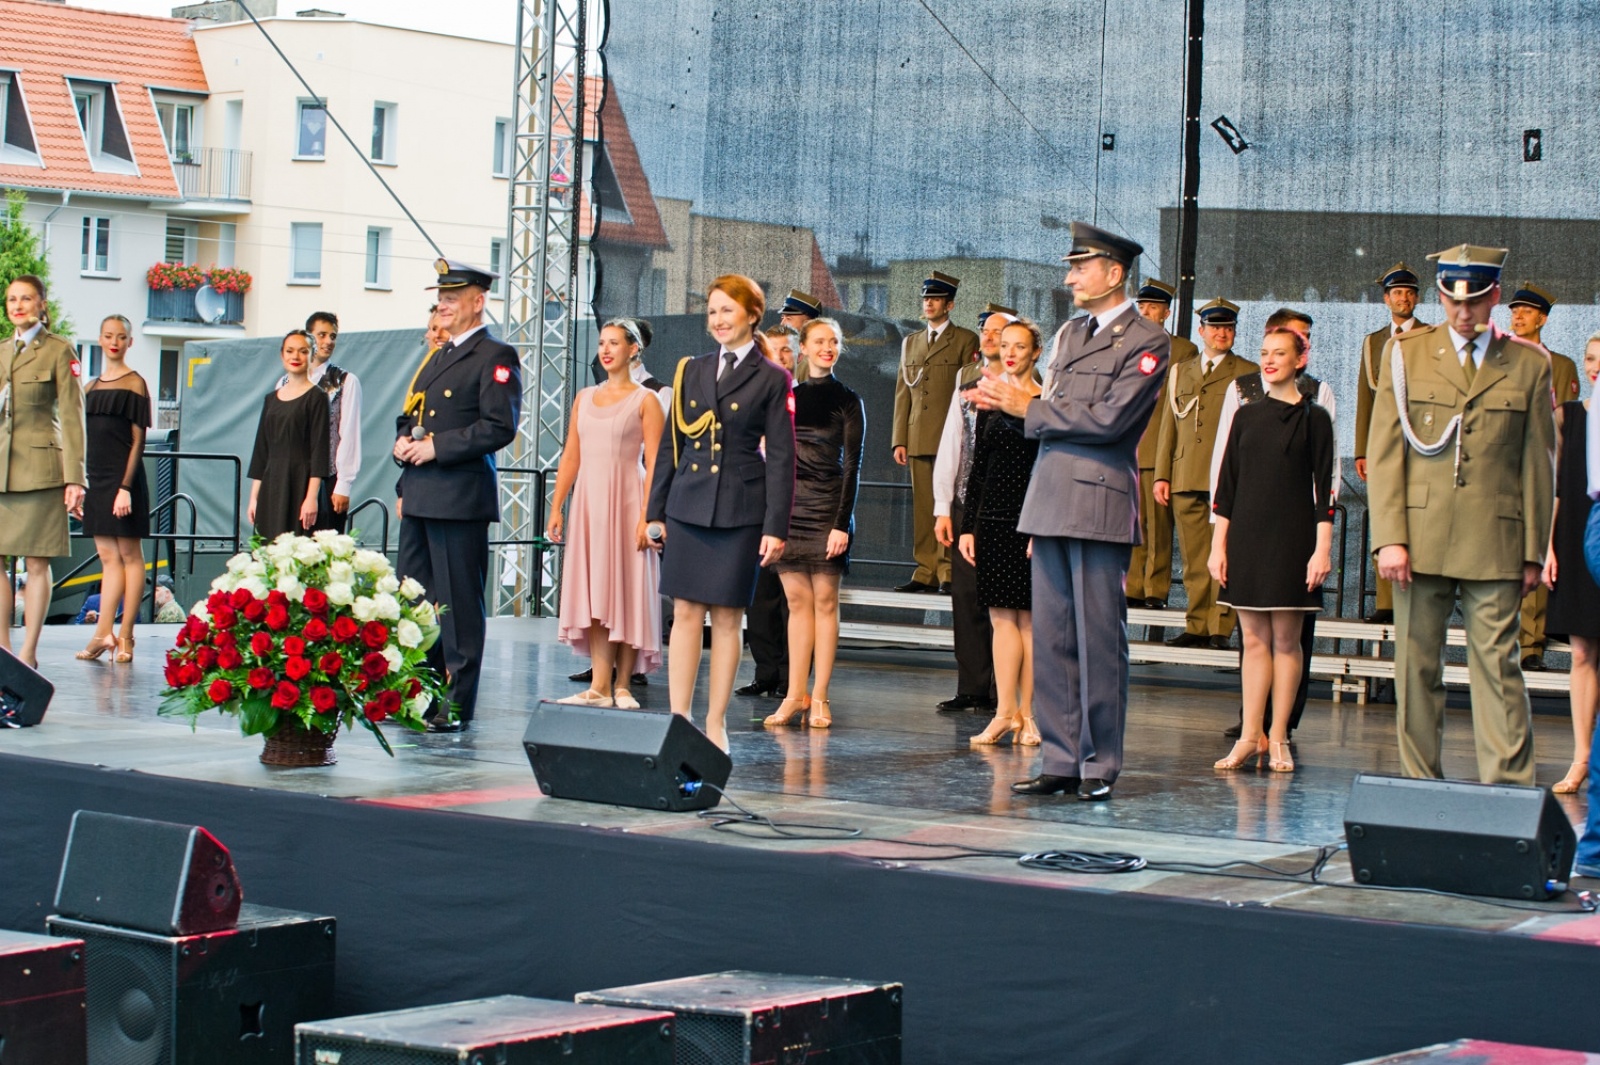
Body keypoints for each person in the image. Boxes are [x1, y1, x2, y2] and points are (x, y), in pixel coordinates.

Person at [979, 222, 1168, 802]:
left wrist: (1029, 406)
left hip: (1098, 502)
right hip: (1051, 499)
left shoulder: (1146, 340)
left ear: (1114, 273)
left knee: (1098, 640)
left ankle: (1098, 762)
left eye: (1080, 268)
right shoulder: (1069, 333)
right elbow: (1057, 416)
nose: (1070, 279)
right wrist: (1020, 406)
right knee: (1054, 639)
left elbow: (1110, 422)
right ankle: (1061, 759)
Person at [1368, 244, 1555, 785]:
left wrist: (1533, 552)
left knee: (1499, 671)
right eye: (1453, 300)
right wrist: (1390, 537)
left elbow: (1537, 465)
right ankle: (1419, 788)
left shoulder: (1529, 363)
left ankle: (1509, 794)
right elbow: (1385, 452)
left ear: (1495, 296)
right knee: (1416, 668)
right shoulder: (1405, 353)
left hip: (1496, 542)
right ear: (1441, 295)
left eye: (1474, 301)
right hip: (1419, 538)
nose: (1463, 312)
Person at [646, 275, 795, 752]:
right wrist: (655, 512)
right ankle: (679, 719)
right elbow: (671, 447)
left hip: (739, 510)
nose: (718, 320)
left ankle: (715, 722)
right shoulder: (691, 369)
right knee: (686, 613)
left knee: (728, 618)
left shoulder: (772, 378)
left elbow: (782, 458)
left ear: (753, 315)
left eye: (727, 310)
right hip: (688, 504)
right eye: (712, 311)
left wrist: (775, 526)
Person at [394, 258, 522, 733]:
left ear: (478, 302)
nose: (443, 306)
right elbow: (412, 415)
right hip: (421, 493)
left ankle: (457, 701)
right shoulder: (439, 355)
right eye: (440, 299)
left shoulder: (495, 355)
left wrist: (437, 447)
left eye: (451, 298)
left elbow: (499, 426)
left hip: (458, 497)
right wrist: (403, 441)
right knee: (416, 600)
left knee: (458, 605)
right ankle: (422, 693)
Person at [1209, 327, 1335, 773]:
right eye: (1265, 352)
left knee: (1285, 640)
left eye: (1280, 353)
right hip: (1247, 537)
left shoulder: (1315, 418)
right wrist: (1218, 546)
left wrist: (1322, 549)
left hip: (1293, 539)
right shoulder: (1246, 416)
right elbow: (1227, 486)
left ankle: (1278, 736)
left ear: (1300, 359)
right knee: (1253, 640)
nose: (1269, 360)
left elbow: (1325, 489)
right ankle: (1250, 736)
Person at [547, 319, 665, 709]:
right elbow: (571, 455)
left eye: (614, 343)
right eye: (602, 343)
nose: (606, 350)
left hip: (628, 501)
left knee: (626, 591)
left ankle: (624, 684)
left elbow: (657, 462)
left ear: (634, 349)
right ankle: (599, 686)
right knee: (596, 591)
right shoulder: (584, 397)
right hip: (589, 504)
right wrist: (556, 505)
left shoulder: (646, 400)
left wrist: (647, 516)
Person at [763, 318, 864, 730]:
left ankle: (819, 696)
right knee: (796, 604)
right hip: (790, 509)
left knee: (825, 603)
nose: (828, 347)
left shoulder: (848, 399)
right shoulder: (788, 396)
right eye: (819, 341)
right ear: (802, 348)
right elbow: (774, 457)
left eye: (834, 341)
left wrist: (841, 524)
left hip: (827, 510)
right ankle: (794, 695)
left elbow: (853, 466)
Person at [959, 318, 1045, 747]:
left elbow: (1049, 470)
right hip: (992, 519)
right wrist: (968, 527)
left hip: (1030, 521)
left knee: (1029, 622)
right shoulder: (990, 400)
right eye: (1005, 345)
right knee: (1000, 619)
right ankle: (1003, 713)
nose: (1009, 353)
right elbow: (978, 468)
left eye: (1019, 346)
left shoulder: (1045, 403)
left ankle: (1029, 715)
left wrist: (1040, 528)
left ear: (1036, 352)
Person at [1153, 299, 1256, 649]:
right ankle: (1196, 624)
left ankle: (1220, 628)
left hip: (1227, 476)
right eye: (1215, 327)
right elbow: (1169, 426)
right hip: (1186, 474)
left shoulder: (1249, 372)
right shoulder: (1180, 370)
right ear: (1201, 331)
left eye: (1227, 328)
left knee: (1224, 555)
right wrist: (1162, 475)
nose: (1221, 333)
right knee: (1194, 559)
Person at [932, 302, 1016, 714]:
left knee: (1006, 603)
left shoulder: (1029, 391)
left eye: (999, 331)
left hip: (1010, 507)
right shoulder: (967, 387)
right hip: (968, 503)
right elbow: (952, 445)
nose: (990, 336)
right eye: (986, 330)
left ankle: (1006, 691)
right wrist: (942, 506)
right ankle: (972, 687)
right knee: (965, 598)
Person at [0, 275, 86, 669]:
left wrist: (76, 477)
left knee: (36, 563)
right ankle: (3, 653)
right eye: (11, 299)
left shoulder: (58, 350)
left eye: (26, 298)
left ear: (42, 303)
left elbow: (73, 418)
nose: (18, 306)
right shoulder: (2, 351)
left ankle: (27, 655)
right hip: (1, 471)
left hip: (40, 472)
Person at [1506, 284, 1580, 671]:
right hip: (1501, 466)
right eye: (1514, 310)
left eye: (1526, 311)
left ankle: (1531, 642)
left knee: (1535, 549)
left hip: (1541, 467)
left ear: (1542, 319)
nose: (1517, 316)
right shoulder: (1496, 357)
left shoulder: (1561, 366)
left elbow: (1566, 424)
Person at [892, 271, 979, 594]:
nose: (928, 304)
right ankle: (925, 569)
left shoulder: (965, 340)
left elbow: (968, 390)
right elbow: (903, 393)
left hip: (950, 437)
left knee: (948, 506)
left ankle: (946, 570)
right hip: (917, 436)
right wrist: (899, 439)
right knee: (923, 507)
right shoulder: (911, 342)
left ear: (950, 305)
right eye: (926, 299)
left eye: (936, 299)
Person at [75, 314, 151, 664]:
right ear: (100, 339)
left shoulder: (135, 383)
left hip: (124, 480)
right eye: (108, 336)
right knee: (107, 558)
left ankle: (126, 636)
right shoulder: (90, 387)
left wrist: (125, 487)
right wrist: (80, 485)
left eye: (121, 336)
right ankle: (102, 634)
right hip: (97, 480)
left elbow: (138, 441)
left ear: (129, 342)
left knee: (130, 555)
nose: (114, 342)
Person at [1353, 264, 1427, 624]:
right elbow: (1365, 398)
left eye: (1409, 292)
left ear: (1417, 298)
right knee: (1383, 519)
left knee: (1419, 522)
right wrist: (1362, 450)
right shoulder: (1374, 341)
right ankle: (1386, 602)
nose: (1404, 298)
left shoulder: (1431, 337)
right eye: (1397, 293)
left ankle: (1416, 600)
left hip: (1421, 444)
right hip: (1383, 445)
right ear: (1386, 299)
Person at [1543, 333, 1600, 793]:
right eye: (1591, 358)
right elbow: (1557, 487)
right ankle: (1580, 757)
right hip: (1575, 536)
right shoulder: (1569, 416)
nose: (1595, 366)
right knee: (1581, 652)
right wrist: (1548, 547)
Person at [734, 322, 803, 700]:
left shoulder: (806, 397)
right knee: (760, 598)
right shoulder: (753, 397)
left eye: (787, 350)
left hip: (799, 509)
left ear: (798, 353)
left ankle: (791, 679)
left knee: (793, 600)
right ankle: (765, 672)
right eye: (773, 350)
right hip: (756, 507)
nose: (780, 357)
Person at [1127, 279, 1198, 610]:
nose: (1145, 312)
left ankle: (1155, 588)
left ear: (1166, 313)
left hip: (1159, 447)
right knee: (1132, 523)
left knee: (1158, 527)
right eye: (1141, 306)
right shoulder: (1124, 344)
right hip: (1129, 446)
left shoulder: (1183, 350)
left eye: (1153, 307)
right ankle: (1133, 586)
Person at [248, 331, 330, 541]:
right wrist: (254, 498)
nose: (295, 356)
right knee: (268, 549)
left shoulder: (318, 397)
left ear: (312, 355)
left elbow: (319, 451)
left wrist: (311, 498)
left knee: (298, 549)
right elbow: (261, 451)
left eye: (303, 351)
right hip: (271, 484)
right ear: (282, 355)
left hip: (300, 483)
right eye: (290, 351)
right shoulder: (270, 399)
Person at [302, 312, 362, 533]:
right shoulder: (287, 381)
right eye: (322, 335)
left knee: (325, 544)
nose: (328, 341)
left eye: (333, 336)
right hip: (293, 475)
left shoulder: (345, 381)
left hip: (329, 478)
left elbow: (349, 434)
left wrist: (344, 483)